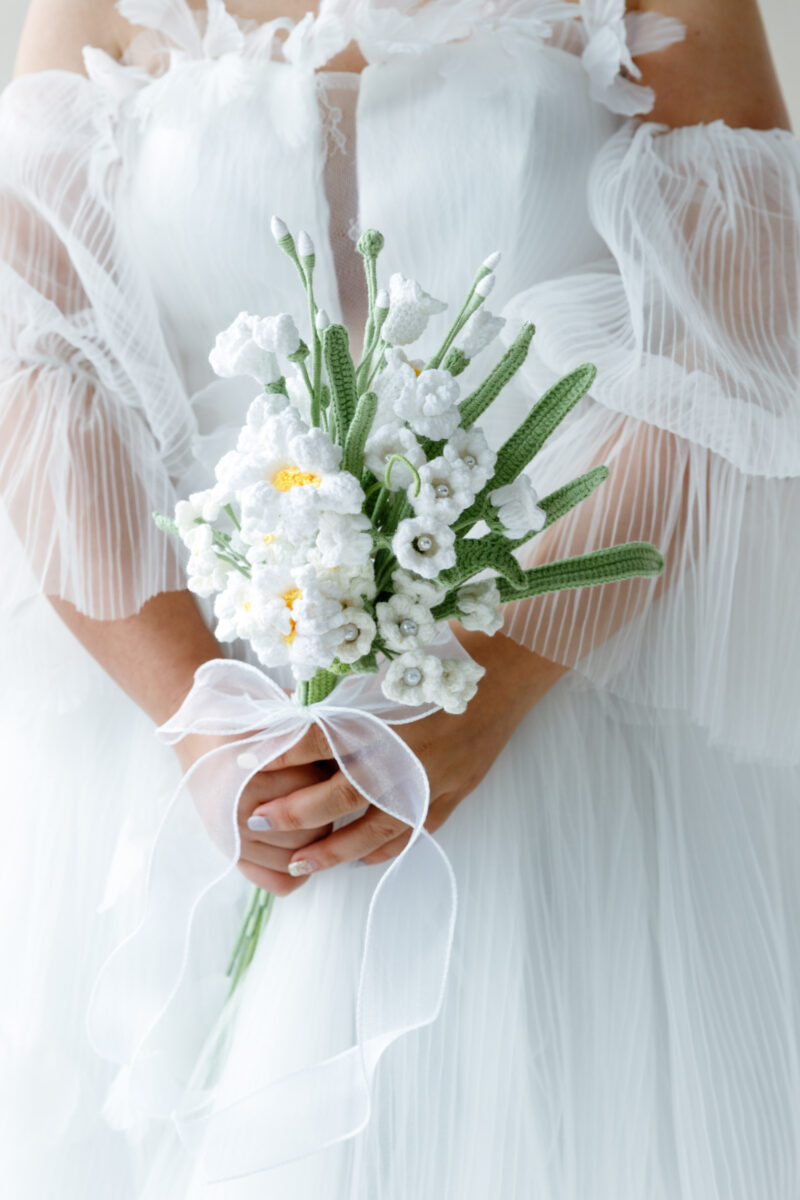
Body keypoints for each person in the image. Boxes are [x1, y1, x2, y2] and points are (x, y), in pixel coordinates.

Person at [1, 0, 798, 1196]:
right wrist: (203, 720)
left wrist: (492, 684)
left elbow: (735, 330)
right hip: (200, 722)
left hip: (558, 712)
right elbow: (37, 357)